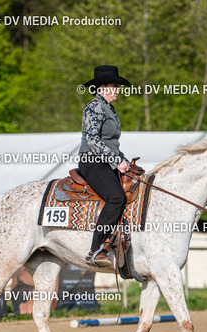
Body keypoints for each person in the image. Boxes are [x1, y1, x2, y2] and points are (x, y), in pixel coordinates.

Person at [78, 65, 132, 268]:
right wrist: (116, 161)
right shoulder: (94, 107)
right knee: (116, 197)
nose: (117, 89)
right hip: (92, 162)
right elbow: (92, 140)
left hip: (106, 161)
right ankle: (96, 249)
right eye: (114, 86)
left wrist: (124, 161)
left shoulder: (109, 108)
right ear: (102, 87)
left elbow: (111, 143)